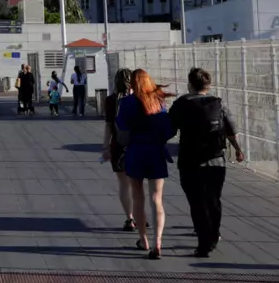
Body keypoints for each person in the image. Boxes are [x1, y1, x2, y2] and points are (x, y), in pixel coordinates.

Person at [170, 67, 245, 258]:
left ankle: (204, 243)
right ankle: (214, 234)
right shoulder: (218, 105)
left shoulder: (181, 104)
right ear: (208, 85)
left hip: (189, 161)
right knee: (213, 199)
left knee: (197, 202)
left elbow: (169, 130)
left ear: (190, 84)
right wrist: (237, 149)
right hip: (216, 160)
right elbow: (231, 132)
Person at [116, 69, 175, 259]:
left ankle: (144, 240)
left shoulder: (125, 103)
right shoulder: (159, 100)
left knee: (138, 198)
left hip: (136, 152)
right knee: (156, 199)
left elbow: (122, 134)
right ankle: (158, 242)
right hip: (156, 152)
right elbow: (168, 129)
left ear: (132, 83)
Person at [102, 68, 137, 231]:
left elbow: (109, 125)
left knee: (123, 184)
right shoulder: (137, 99)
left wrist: (105, 147)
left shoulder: (111, 100)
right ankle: (139, 215)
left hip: (118, 145)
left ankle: (129, 218)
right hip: (137, 145)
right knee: (137, 183)